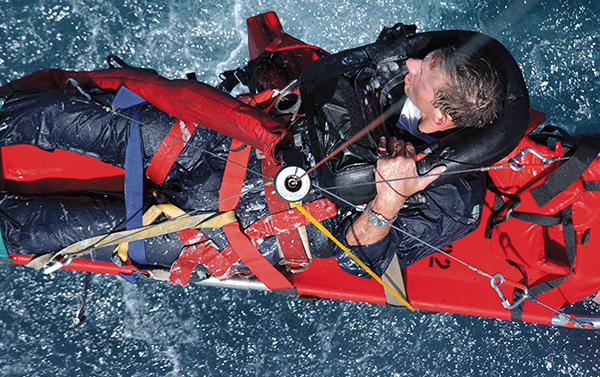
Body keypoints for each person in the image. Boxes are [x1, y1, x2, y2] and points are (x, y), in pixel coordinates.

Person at [0, 42, 504, 283]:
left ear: (440, 115)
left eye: (424, 70)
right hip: (222, 149)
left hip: (242, 228)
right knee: (55, 116)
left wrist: (388, 203)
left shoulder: (452, 198)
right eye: (425, 57)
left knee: (35, 230)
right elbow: (328, 81)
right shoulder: (396, 76)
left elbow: (365, 264)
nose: (412, 64)